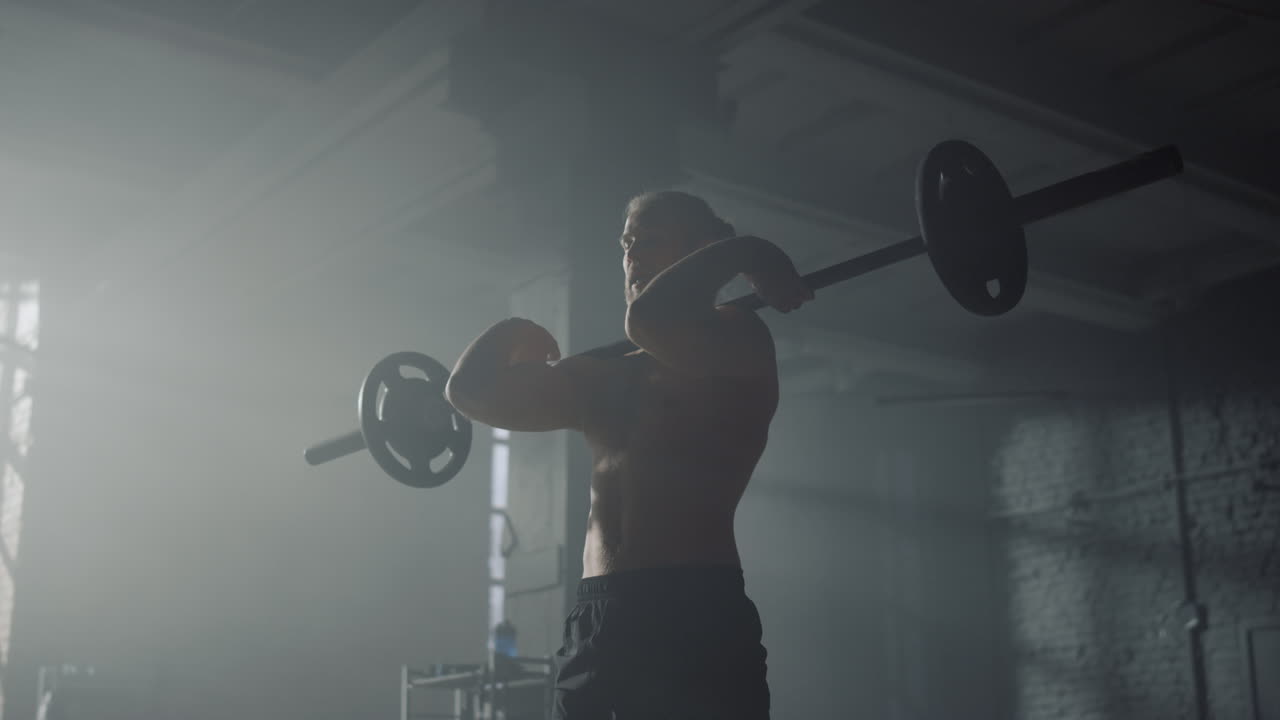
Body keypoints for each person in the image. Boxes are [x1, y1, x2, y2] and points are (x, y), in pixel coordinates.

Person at [445, 191, 813, 719]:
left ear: (704, 250)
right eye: (627, 245)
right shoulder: (607, 375)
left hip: (692, 609)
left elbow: (650, 318)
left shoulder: (739, 338)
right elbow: (470, 395)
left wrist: (749, 252)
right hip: (597, 620)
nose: (633, 256)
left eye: (652, 241)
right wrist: (511, 330)